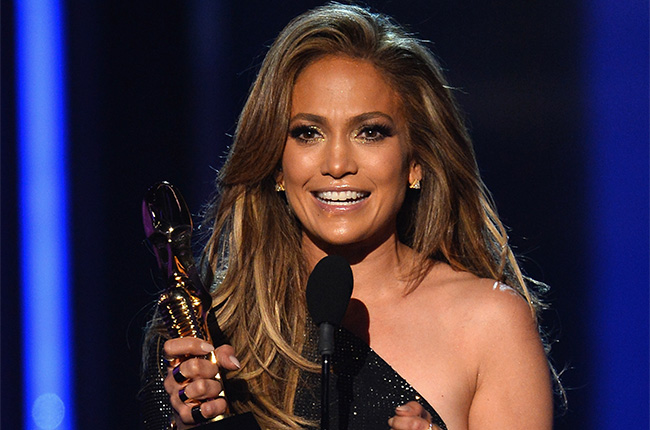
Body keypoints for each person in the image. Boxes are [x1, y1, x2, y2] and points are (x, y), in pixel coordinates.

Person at [141, 3, 559, 429]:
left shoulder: (488, 322)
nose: (337, 163)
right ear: (276, 165)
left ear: (415, 162)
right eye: (308, 133)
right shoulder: (211, 329)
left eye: (370, 132)